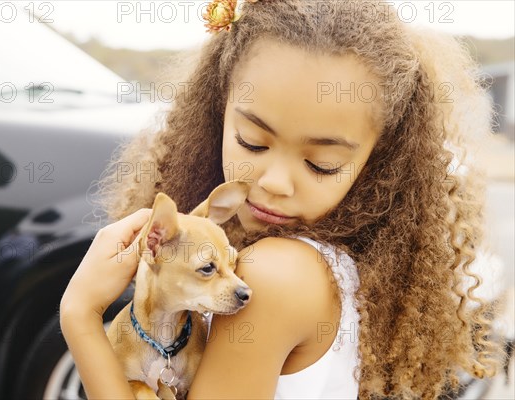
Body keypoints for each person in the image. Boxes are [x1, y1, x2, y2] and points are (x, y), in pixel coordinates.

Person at [60, 0, 507, 398]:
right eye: (252, 142)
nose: (274, 183)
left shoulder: (272, 278)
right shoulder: (344, 269)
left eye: (322, 165)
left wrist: (80, 315)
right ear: (218, 112)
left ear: (378, 162)